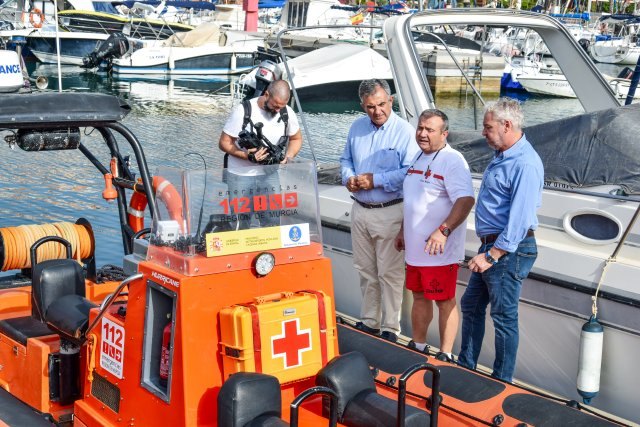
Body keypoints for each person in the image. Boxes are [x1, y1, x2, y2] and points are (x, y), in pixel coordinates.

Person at [458, 98, 543, 382]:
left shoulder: (525, 163)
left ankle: (501, 382)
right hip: (493, 246)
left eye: (487, 127)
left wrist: (492, 255)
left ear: (507, 125)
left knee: (504, 318)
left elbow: (519, 221)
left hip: (508, 251)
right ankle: (466, 367)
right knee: (471, 305)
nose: (483, 132)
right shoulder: (503, 155)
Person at [340, 79, 419, 343]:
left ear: (391, 101)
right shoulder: (356, 127)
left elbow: (410, 171)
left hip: (389, 210)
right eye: (371, 106)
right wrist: (348, 177)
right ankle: (370, 322)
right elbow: (346, 159)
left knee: (390, 273)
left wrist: (377, 180)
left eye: (382, 104)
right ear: (362, 105)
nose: (377, 111)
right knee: (365, 270)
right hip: (360, 208)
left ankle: (390, 328)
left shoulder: (405, 132)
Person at [394, 109, 474, 361]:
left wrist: (443, 231)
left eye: (430, 130)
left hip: (439, 253)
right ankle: (418, 346)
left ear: (444, 133)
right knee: (418, 297)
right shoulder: (418, 156)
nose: (423, 134)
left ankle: (446, 353)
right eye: (420, 128)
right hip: (416, 251)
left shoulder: (452, 160)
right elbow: (414, 199)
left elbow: (465, 200)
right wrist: (402, 230)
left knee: (444, 299)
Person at [218, 80, 302, 229]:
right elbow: (224, 142)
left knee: (273, 222)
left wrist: (288, 156)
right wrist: (247, 156)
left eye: (281, 107)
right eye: (275, 105)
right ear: (266, 94)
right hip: (240, 176)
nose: (277, 110)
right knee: (240, 223)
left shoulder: (287, 112)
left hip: (270, 175)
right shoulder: (243, 110)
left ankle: (268, 252)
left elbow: (296, 138)